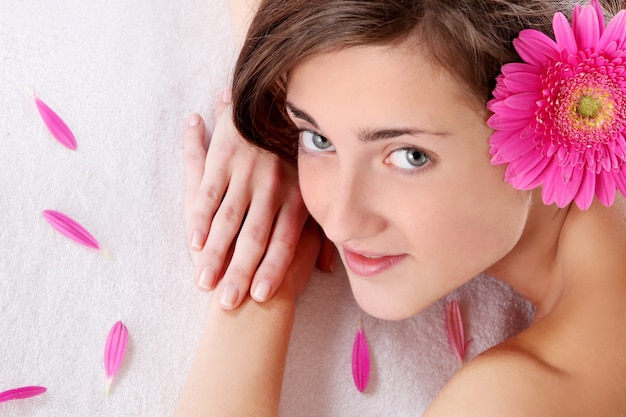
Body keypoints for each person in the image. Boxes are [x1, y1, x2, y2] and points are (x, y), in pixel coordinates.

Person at [176, 0, 626, 415]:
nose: (338, 220)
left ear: (556, 120)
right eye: (316, 138)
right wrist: (264, 121)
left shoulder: (519, 400)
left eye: (410, 156)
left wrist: (252, 290)